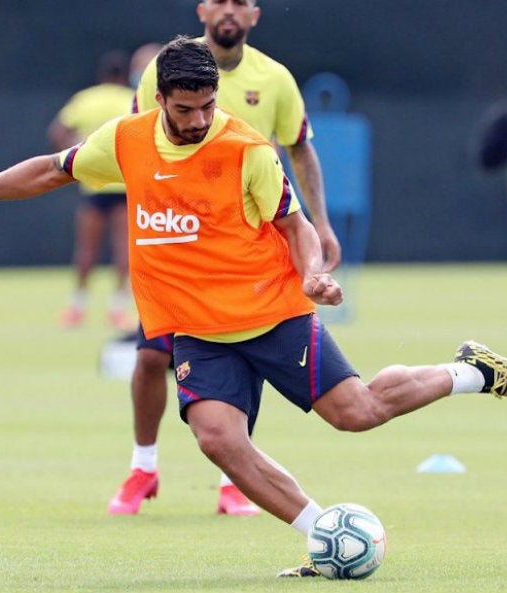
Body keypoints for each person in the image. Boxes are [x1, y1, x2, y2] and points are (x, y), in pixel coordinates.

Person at [0, 36, 507, 577]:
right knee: (217, 438)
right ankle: (321, 533)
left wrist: (313, 276)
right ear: (160, 98)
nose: (198, 120)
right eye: (186, 109)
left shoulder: (247, 149)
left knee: (355, 412)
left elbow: (295, 225)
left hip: (273, 313)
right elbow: (54, 170)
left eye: (207, 107)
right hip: (195, 329)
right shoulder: (127, 139)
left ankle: (473, 371)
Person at [113, 0, 343, 517]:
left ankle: (232, 480)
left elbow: (300, 148)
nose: (229, 10)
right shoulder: (167, 67)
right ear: (203, 9)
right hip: (179, 247)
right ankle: (142, 466)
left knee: (245, 349)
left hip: (248, 246)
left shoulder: (275, 78)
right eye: (221, 0)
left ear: (254, 15)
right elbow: (137, 148)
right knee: (151, 355)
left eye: (240, 2)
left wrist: (320, 223)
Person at [49, 51, 138, 329]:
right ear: (123, 75)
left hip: (93, 185)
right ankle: (117, 308)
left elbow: (58, 131)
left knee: (86, 250)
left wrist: (75, 156)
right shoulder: (130, 100)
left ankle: (77, 306)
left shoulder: (85, 99)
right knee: (124, 250)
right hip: (124, 185)